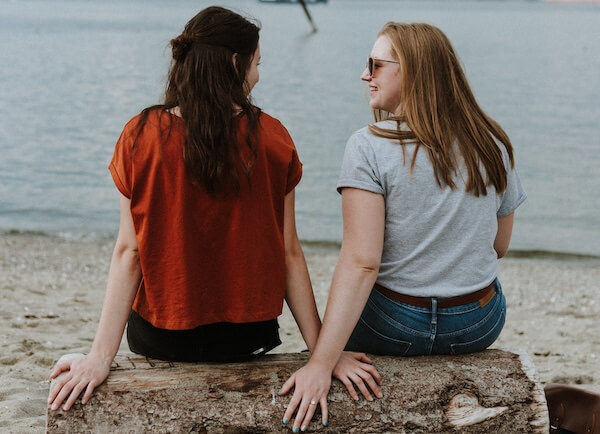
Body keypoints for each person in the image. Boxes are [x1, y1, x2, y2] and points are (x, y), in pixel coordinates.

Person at [47, 6, 380, 414]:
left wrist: (100, 357)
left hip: (161, 339)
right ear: (236, 63)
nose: (258, 76)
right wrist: (322, 355)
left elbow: (129, 252)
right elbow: (290, 252)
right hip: (245, 340)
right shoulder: (273, 139)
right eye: (257, 64)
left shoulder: (139, 137)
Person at [279, 22, 527, 430]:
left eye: (375, 65)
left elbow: (362, 263)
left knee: (353, 293)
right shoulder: (492, 143)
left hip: (393, 327)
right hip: (477, 324)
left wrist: (320, 363)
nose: (365, 75)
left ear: (410, 71)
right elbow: (498, 246)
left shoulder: (368, 145)